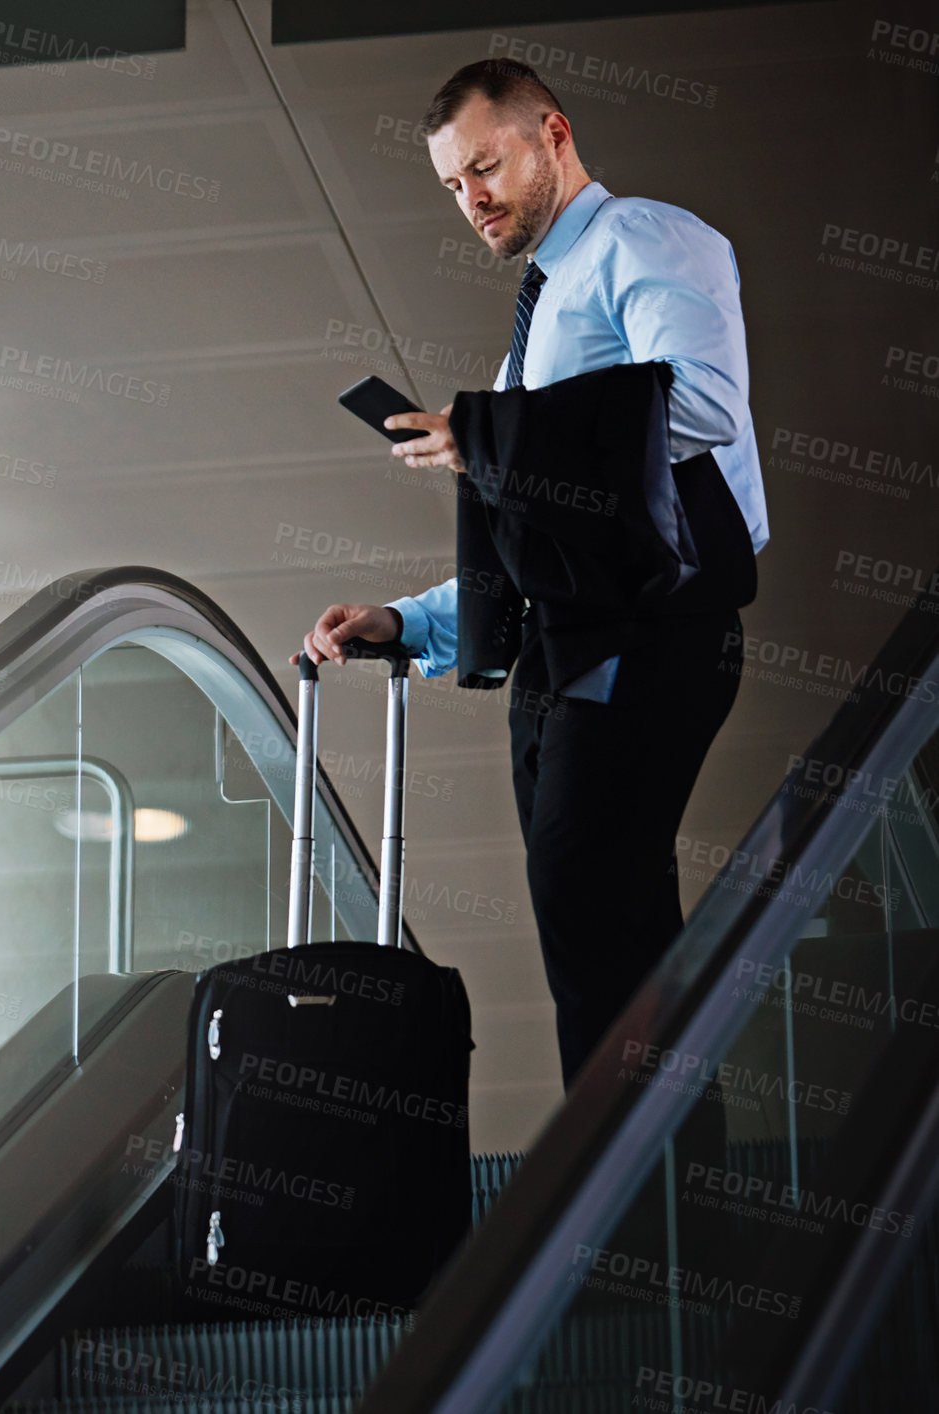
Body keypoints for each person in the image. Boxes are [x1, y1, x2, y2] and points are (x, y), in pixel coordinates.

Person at [293, 58, 767, 1087]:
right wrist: (404, 622)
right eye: (453, 187)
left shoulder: (645, 238)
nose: (472, 200)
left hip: (650, 632)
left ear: (551, 132)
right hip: (571, 646)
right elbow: (540, 530)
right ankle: (649, 1183)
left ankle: (624, 1188)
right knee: (599, 921)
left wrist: (490, 435)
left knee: (588, 893)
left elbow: (700, 406)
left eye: (484, 166)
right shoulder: (539, 328)